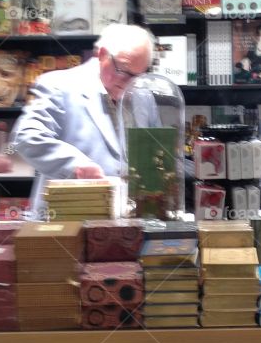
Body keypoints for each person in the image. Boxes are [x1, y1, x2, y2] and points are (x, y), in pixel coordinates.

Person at [11, 23, 154, 218]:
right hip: (67, 221)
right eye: (124, 70)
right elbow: (27, 137)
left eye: (138, 75)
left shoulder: (144, 97)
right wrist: (75, 165)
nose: (130, 82)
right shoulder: (58, 85)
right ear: (102, 55)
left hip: (128, 224)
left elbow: (154, 154)